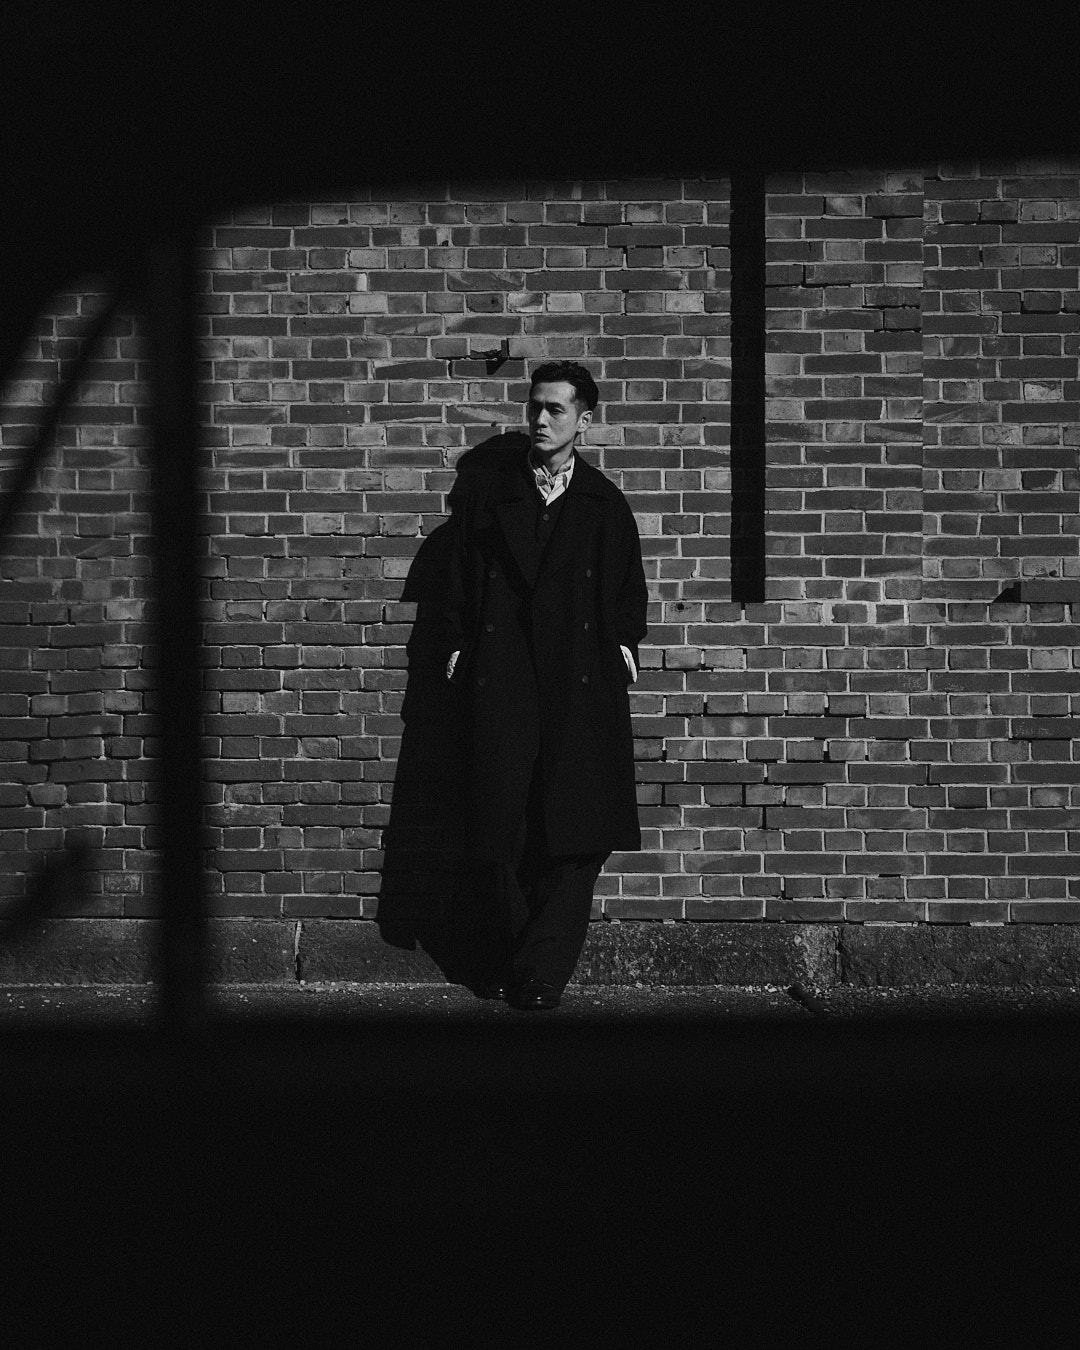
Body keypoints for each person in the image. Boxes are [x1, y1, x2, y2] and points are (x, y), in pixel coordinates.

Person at [443, 361, 648, 1009]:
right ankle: (516, 955)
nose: (539, 419)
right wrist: (460, 649)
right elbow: (459, 585)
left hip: (578, 684)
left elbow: (628, 593)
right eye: (535, 406)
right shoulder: (490, 499)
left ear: (584, 421)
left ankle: (541, 970)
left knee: (577, 830)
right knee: (499, 823)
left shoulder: (604, 504)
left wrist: (621, 650)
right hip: (503, 677)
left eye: (555, 409)